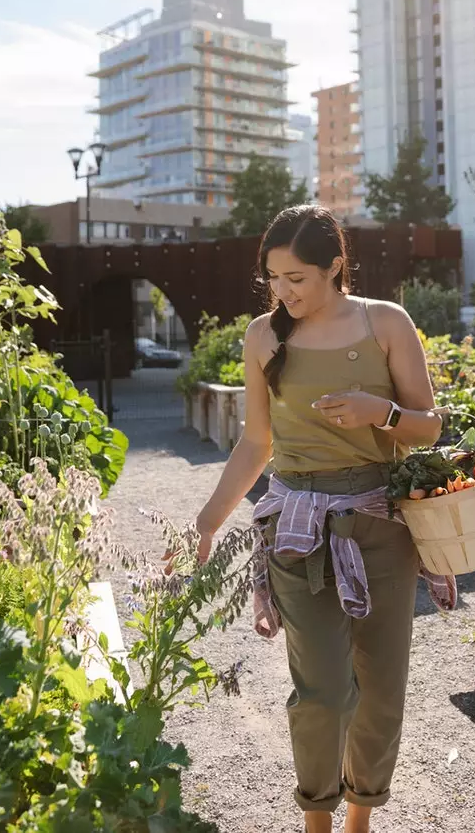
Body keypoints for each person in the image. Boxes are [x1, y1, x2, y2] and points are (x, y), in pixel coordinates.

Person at [190, 204, 453, 833]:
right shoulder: (263, 336)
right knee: (325, 695)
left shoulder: (386, 323)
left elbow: (430, 426)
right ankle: (317, 820)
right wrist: (207, 520)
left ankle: (360, 818)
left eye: (297, 279)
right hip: (299, 533)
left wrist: (378, 412)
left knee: (382, 693)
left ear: (335, 267)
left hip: (381, 529)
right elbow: (256, 444)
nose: (283, 292)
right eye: (273, 279)